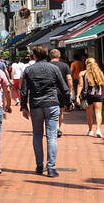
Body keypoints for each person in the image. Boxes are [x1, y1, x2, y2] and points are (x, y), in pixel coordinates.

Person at [19, 44, 73, 177]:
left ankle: (39, 165)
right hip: (52, 104)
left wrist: (24, 107)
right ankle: (51, 168)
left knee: (37, 135)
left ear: (34, 56)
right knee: (51, 136)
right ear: (47, 55)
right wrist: (68, 102)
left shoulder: (29, 70)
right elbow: (64, 87)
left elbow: (24, 91)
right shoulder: (54, 69)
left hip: (36, 105)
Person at [80, 57, 104, 137]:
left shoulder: (82, 73)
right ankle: (98, 129)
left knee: (89, 114)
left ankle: (90, 130)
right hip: (98, 94)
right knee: (98, 112)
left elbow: (81, 85)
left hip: (87, 96)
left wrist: (78, 96)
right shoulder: (100, 73)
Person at [49, 49, 71, 137]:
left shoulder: (47, 65)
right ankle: (58, 127)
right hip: (62, 91)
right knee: (61, 110)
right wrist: (70, 90)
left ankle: (53, 128)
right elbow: (69, 79)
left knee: (50, 110)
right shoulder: (65, 66)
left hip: (50, 91)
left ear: (50, 56)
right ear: (59, 56)